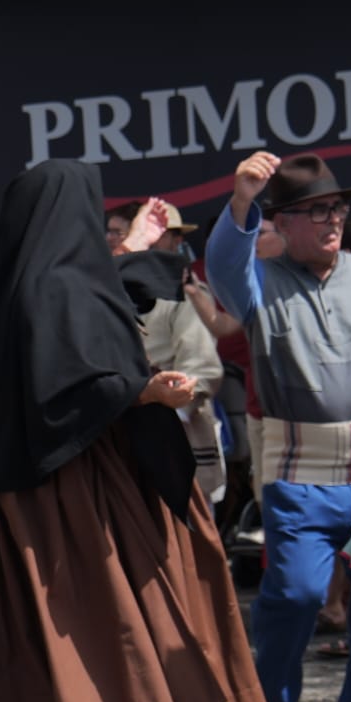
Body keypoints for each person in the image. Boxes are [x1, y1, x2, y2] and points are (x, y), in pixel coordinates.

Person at [0, 159, 264, 702]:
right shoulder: (63, 288)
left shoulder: (20, 285)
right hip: (76, 484)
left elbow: (77, 337)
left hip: (14, 489)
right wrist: (146, 389)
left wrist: (131, 250)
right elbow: (77, 377)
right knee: (98, 620)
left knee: (17, 624)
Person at [213, 152, 351, 702]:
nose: (331, 220)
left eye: (337, 208)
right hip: (300, 476)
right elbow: (223, 264)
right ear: (282, 222)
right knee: (295, 595)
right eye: (315, 211)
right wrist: (241, 200)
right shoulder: (259, 284)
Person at [117, 200, 226, 503]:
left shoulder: (184, 292)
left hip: (176, 448)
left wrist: (162, 401)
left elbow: (202, 369)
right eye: (112, 232)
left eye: (162, 232)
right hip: (123, 453)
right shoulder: (105, 292)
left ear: (175, 241)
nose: (114, 239)